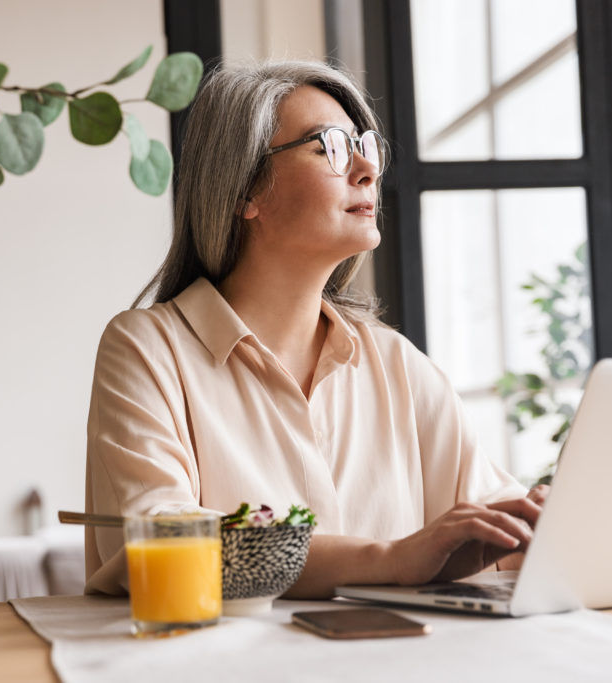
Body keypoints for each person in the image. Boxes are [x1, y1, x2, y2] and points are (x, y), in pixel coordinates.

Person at [83, 60, 548, 597]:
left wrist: (540, 527)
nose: (367, 170)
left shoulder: (397, 363)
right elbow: (162, 544)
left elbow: (492, 529)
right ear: (244, 191)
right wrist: (391, 559)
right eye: (328, 145)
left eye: (364, 146)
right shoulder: (145, 349)